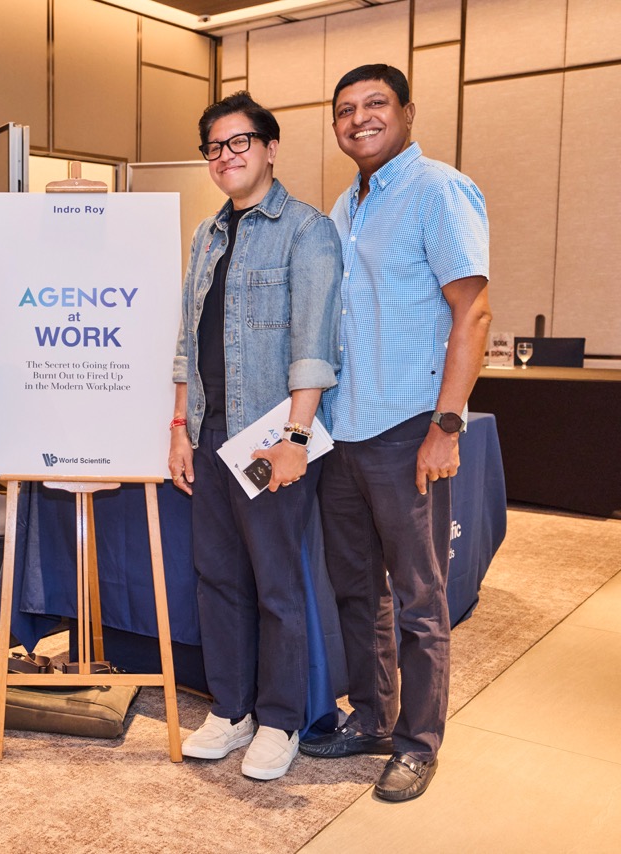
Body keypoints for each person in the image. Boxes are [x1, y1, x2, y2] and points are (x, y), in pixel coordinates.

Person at [300, 64, 491, 802]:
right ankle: (374, 717)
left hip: (407, 426)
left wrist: (446, 424)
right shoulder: (346, 205)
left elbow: (473, 311)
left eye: (375, 104)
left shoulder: (439, 190)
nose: (360, 119)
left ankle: (418, 743)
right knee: (356, 590)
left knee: (418, 597)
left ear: (408, 112)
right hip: (345, 429)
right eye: (345, 109)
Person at [168, 93, 342, 780]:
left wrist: (296, 436)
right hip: (210, 435)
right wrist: (179, 429)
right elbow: (187, 344)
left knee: (277, 584)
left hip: (271, 440)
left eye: (239, 142)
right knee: (217, 579)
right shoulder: (207, 235)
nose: (225, 156)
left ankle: (280, 719)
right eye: (214, 147)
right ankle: (231, 709)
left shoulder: (307, 230)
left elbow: (314, 346)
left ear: (270, 148)